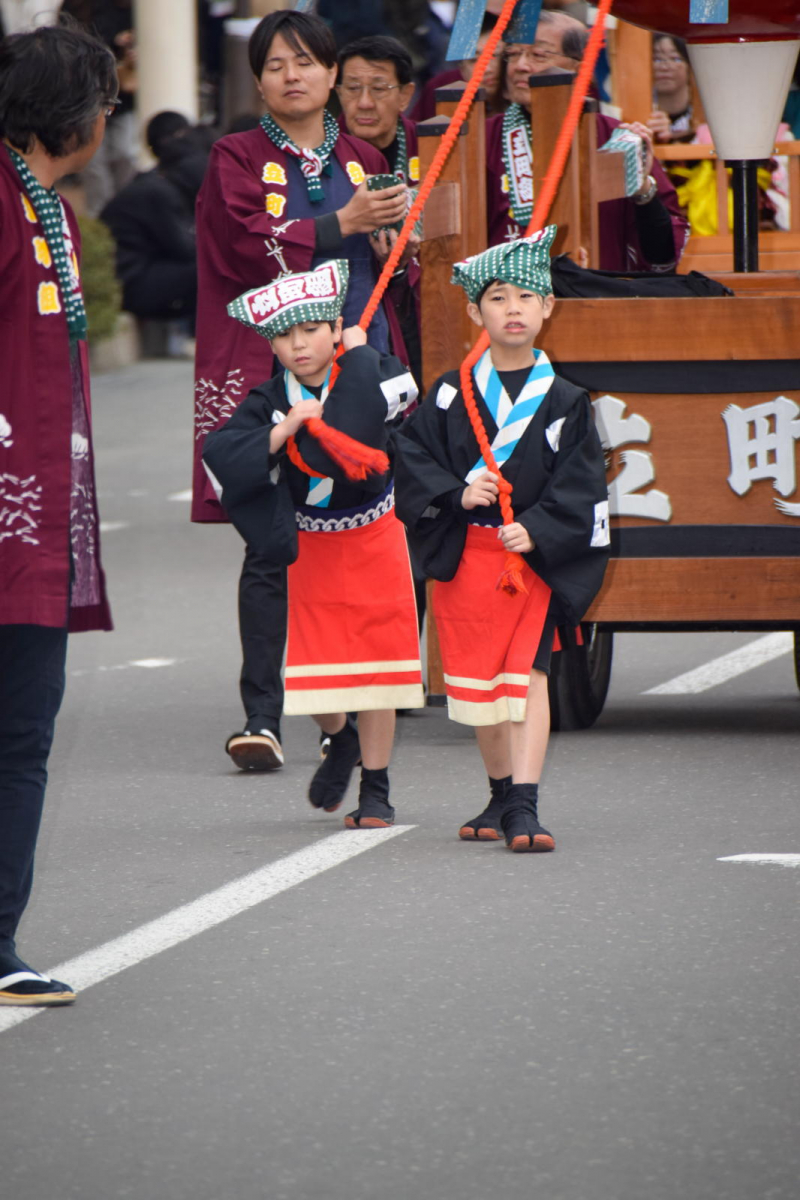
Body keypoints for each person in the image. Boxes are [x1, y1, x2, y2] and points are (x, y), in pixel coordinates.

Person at [192, 9, 412, 774]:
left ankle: (342, 710)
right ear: (257, 81)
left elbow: (392, 272)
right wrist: (337, 223)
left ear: (330, 74)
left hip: (358, 368)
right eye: (276, 65)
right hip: (273, 373)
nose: (292, 76)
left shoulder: (364, 156)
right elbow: (236, 244)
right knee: (272, 540)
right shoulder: (235, 155)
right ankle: (262, 715)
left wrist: (397, 241)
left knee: (357, 534)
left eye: (306, 62)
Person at [393, 229, 610, 852]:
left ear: (548, 307)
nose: (513, 308)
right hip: (468, 554)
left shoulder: (566, 400)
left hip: (528, 560)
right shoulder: (447, 392)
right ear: (474, 312)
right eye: (497, 297)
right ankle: (499, 793)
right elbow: (410, 455)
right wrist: (456, 494)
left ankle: (524, 803)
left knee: (528, 676)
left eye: (526, 296)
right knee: (478, 685)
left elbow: (582, 483)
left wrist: (537, 529)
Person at [203, 261, 423, 826]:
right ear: (271, 345)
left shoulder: (365, 368)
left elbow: (403, 393)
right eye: (284, 335)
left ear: (334, 329)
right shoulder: (268, 399)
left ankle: (376, 788)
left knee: (378, 671)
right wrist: (281, 430)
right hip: (311, 545)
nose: (299, 345)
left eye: (311, 330)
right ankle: (341, 738)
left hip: (374, 533)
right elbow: (220, 454)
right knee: (313, 675)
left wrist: (361, 355)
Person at [0, 21, 115, 1005]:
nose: (108, 118)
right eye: (105, 101)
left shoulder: (55, 214)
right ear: (71, 112)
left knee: (24, 732)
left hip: (36, 525)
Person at [486, 13, 689, 270]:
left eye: (538, 55)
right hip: (507, 289)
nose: (520, 65)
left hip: (595, 286)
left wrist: (642, 191)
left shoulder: (614, 137)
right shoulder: (483, 139)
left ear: (579, 69)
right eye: (513, 54)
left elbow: (662, 254)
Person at [336, 34, 422, 388]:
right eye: (353, 88)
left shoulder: (432, 145)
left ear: (405, 94)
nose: (364, 103)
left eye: (379, 88)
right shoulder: (322, 152)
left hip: (421, 306)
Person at [100, 111, 208, 327]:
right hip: (127, 284)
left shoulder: (155, 185)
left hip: (132, 276)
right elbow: (185, 248)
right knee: (212, 272)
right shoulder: (158, 193)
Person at [59, 0, 138, 217]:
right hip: (86, 96)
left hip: (121, 95)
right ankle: (102, 217)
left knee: (124, 154)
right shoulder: (76, 7)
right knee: (93, 163)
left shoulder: (127, 9)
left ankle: (124, 211)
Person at [647, 33, 694, 145]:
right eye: (656, 59)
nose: (664, 67)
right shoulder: (641, 113)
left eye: (675, 59)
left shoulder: (703, 114)